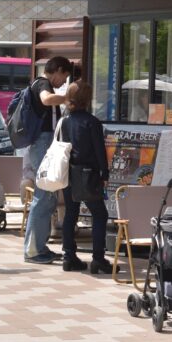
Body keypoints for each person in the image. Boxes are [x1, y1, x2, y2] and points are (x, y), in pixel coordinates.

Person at [24, 56, 73, 264]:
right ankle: (33, 250)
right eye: (64, 77)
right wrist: (68, 98)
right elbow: (46, 99)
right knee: (43, 195)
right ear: (58, 70)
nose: (63, 83)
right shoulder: (43, 83)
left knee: (48, 196)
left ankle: (40, 247)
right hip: (42, 143)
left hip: (43, 142)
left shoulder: (43, 84)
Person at [59, 81, 112, 274]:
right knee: (100, 214)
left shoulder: (65, 121)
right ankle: (98, 259)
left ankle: (68, 256)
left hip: (69, 173)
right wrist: (104, 173)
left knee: (70, 214)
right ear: (87, 99)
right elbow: (99, 151)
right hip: (88, 173)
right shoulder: (92, 122)